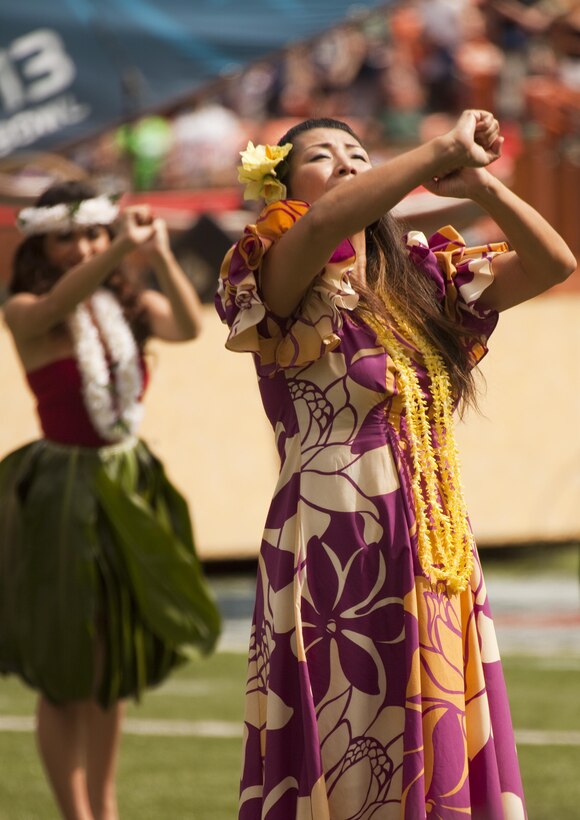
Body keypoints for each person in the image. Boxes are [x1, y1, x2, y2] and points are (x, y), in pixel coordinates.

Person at [215, 111, 576, 819]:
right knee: (350, 744)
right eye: (323, 156)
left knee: (432, 744)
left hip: (432, 537)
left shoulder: (421, 278)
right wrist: (438, 147)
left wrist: (482, 188)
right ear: (284, 189)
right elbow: (322, 229)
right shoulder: (276, 262)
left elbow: (553, 264)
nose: (348, 161)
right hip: (332, 540)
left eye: (357, 150)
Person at [0, 180, 221, 820]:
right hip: (60, 493)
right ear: (40, 245)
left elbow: (185, 324)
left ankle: (105, 805)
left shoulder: (126, 302)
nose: (83, 247)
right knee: (61, 660)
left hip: (127, 486)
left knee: (109, 658)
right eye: (66, 236)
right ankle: (75, 813)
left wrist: (156, 257)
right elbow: (50, 309)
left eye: (93, 233)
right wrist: (115, 249)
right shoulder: (25, 309)